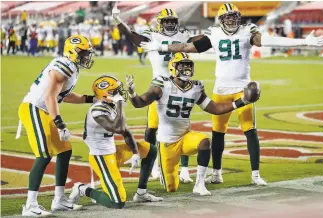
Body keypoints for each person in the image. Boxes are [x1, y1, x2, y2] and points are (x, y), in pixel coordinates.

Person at [141, 3, 323, 185]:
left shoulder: (247, 31)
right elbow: (188, 48)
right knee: (218, 133)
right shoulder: (213, 33)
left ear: (239, 18)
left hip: (242, 88)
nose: (231, 20)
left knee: (249, 131)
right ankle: (216, 173)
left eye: (234, 17)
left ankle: (255, 175)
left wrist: (303, 41)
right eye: (227, 17)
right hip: (221, 89)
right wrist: (161, 47)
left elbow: (267, 40)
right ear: (221, 19)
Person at [126, 52, 261, 195]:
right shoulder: (161, 84)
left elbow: (215, 108)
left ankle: (199, 184)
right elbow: (139, 103)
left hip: (185, 138)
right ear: (173, 67)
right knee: (171, 188)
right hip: (167, 143)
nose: (186, 69)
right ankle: (170, 173)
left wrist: (242, 101)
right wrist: (132, 93)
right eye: (182, 66)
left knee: (204, 142)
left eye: (188, 65)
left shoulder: (196, 87)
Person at [112, 6, 202, 182]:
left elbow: (200, 42)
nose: (169, 24)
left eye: (172, 21)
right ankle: (152, 164)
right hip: (160, 86)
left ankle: (184, 170)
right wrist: (118, 22)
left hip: (180, 85)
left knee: (182, 128)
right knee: (152, 127)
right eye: (166, 21)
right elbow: (132, 36)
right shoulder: (151, 34)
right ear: (160, 23)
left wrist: (213, 35)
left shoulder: (183, 35)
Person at [19, 35, 96, 216]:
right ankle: (30, 205)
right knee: (44, 154)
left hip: (44, 110)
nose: (87, 56)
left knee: (64, 150)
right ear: (72, 51)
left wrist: (92, 98)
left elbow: (65, 96)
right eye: (83, 52)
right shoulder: (64, 66)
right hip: (34, 108)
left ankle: (59, 200)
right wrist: (60, 124)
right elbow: (50, 97)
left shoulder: (71, 66)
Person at [68, 75, 163, 209]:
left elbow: (125, 131)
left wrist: (135, 153)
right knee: (117, 202)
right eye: (115, 91)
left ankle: (141, 193)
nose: (119, 93)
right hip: (101, 158)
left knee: (150, 149)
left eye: (118, 90)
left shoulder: (110, 105)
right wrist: (119, 104)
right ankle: (82, 189)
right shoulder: (97, 110)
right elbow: (118, 128)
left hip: (114, 152)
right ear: (104, 94)